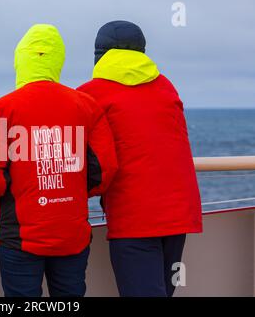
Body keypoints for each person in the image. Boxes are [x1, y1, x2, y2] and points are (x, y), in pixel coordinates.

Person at [0, 24, 118, 297]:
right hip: (71, 232)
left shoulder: (0, 109)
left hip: (20, 236)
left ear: (20, 60)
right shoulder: (86, 106)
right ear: (57, 61)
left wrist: (4, 200)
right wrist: (73, 191)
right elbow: (105, 169)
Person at [77, 20, 203, 297]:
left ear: (99, 54)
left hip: (135, 214)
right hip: (179, 210)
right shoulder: (165, 85)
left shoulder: (90, 93)